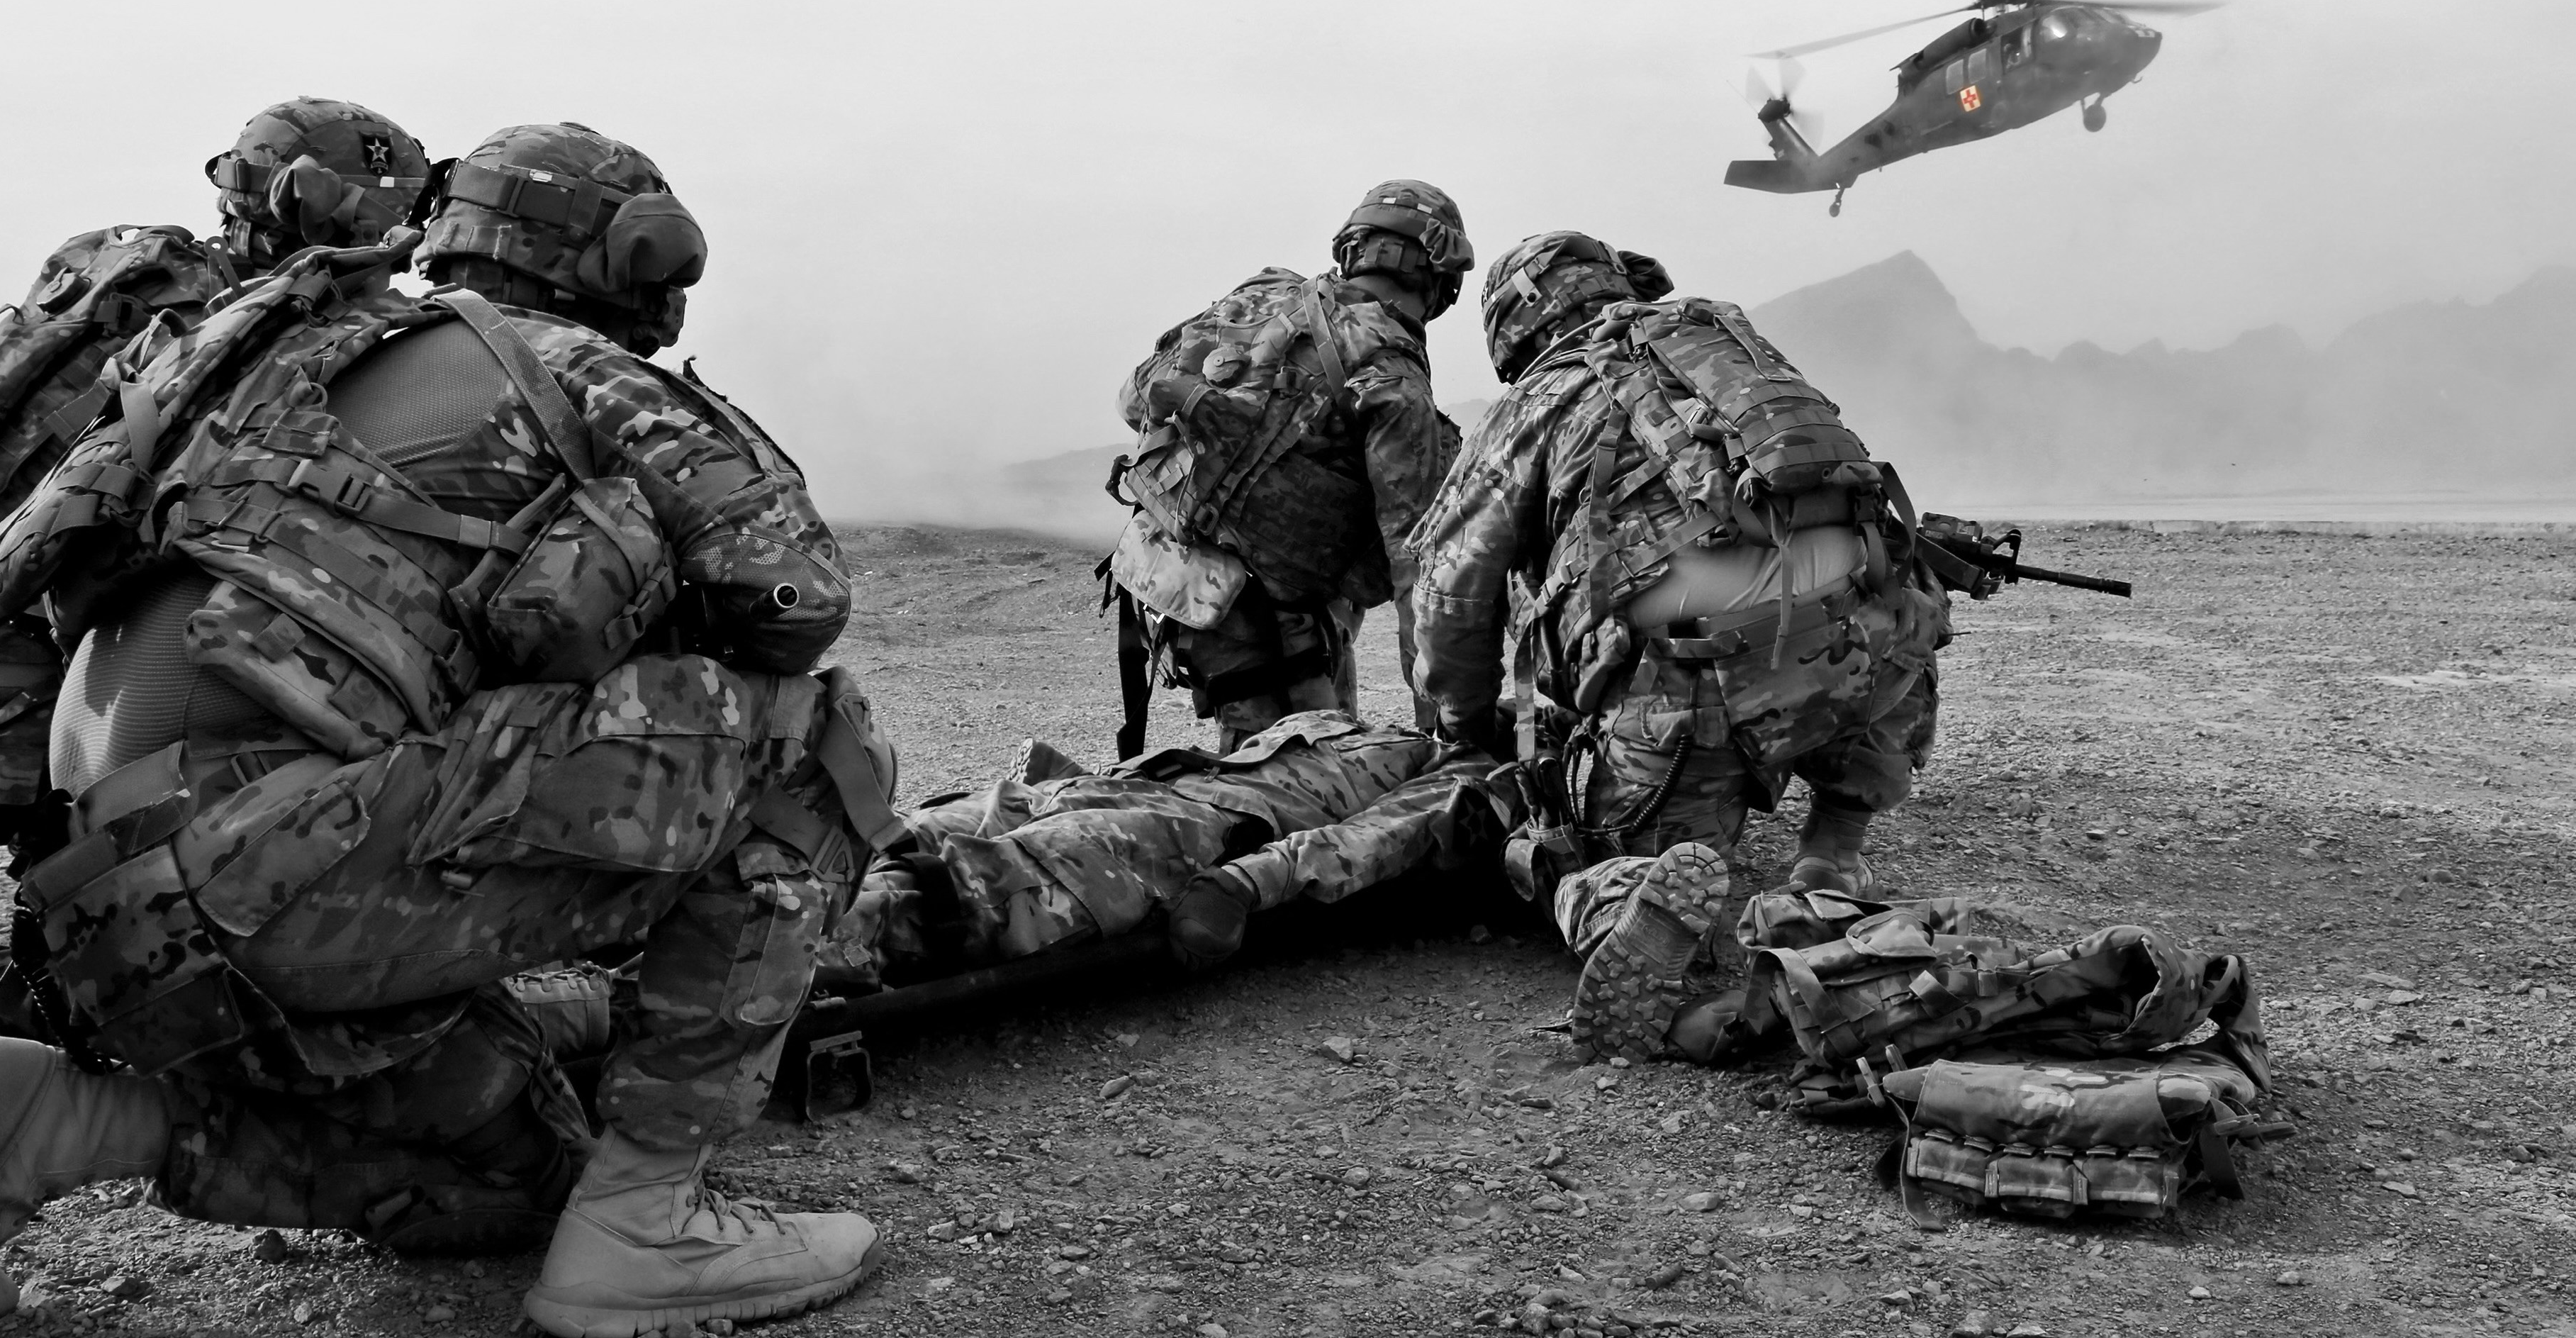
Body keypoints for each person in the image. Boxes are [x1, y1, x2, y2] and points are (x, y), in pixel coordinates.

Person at [0, 123, 906, 1338]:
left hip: (109, 913)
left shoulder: (255, 354)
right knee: (819, 739)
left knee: (516, 1178)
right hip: (279, 876)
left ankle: (42, 1119)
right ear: (612, 253)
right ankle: (651, 1224)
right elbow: (796, 602)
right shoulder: (579, 369)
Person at [0, 98, 432, 1056]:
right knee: (114, 977)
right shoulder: (226, 332)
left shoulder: (139, 280)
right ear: (327, 213)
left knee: (119, 950)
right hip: (36, 676)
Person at [1408, 231, 1950, 1061]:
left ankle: (1643, 908)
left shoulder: (1538, 400)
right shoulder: (1727, 341)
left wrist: (1459, 728)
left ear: (1512, 330)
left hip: (1698, 699)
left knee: (1588, 852)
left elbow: (1452, 591)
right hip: (1874, 658)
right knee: (1874, 618)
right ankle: (1831, 859)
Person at [1106, 182, 1470, 754]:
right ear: (1439, 278)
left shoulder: (1263, 295)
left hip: (1173, 571)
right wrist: (1448, 724)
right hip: (1277, 627)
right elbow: (1416, 564)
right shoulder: (1390, 373)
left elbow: (1134, 401)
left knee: (1253, 776)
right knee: (1293, 794)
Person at [825, 710, 1500, 986]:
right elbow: (1231, 760)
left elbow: (1369, 841)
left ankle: (770, 963)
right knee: (889, 839)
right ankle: (746, 900)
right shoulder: (1346, 722)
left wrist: (1246, 885)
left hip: (1175, 841)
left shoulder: (1469, 775)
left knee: (964, 897)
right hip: (1125, 790)